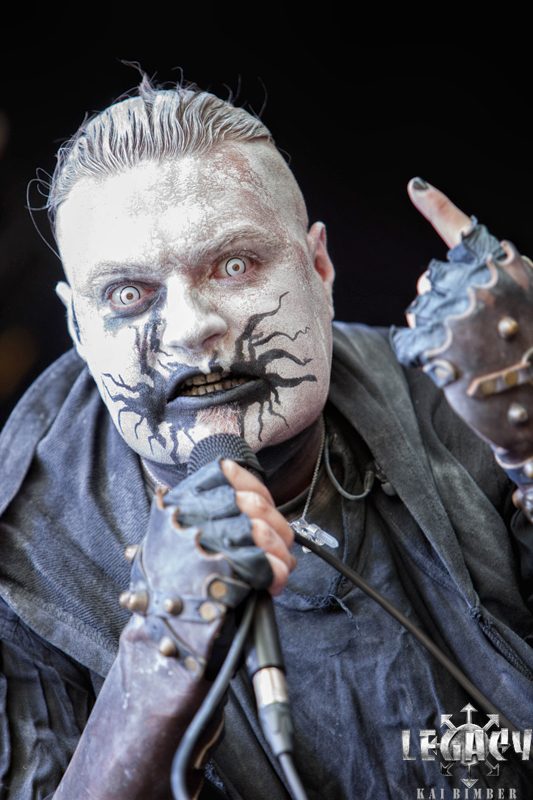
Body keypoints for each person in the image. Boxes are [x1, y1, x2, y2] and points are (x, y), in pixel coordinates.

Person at [0, 70, 532, 800]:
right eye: (128, 294)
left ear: (319, 268)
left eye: (235, 265)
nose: (192, 329)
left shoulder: (460, 398)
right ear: (77, 327)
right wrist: (160, 652)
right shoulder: (24, 565)